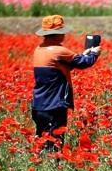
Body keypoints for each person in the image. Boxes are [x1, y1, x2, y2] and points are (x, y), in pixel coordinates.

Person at [32, 15, 101, 153]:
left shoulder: (39, 49)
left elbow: (62, 66)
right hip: (54, 105)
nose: (64, 34)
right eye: (62, 32)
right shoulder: (59, 50)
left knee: (42, 142)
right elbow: (84, 63)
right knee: (54, 144)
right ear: (57, 34)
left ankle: (41, 169)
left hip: (38, 105)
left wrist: (84, 54)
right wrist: (94, 54)